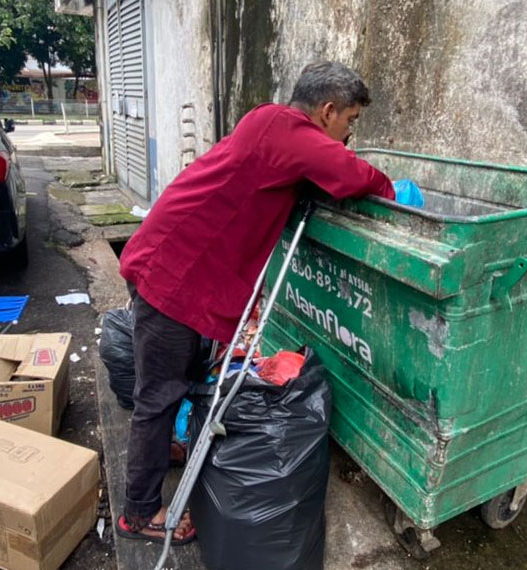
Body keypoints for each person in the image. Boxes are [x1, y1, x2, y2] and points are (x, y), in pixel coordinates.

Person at [115, 61, 395, 545]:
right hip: (172, 278)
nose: (349, 134)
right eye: (349, 121)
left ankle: (166, 451)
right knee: (157, 398)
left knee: (182, 380)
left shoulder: (271, 123)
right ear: (327, 111)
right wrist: (395, 194)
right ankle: (138, 515)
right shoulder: (291, 132)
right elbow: (356, 176)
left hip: (178, 270)